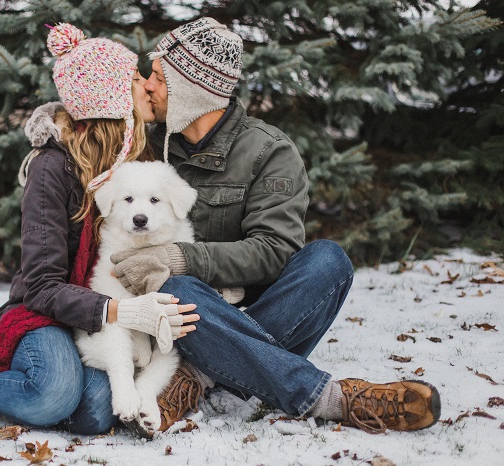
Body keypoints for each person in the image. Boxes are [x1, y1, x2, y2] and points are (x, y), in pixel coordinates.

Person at [110, 17, 441, 434]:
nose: (147, 85)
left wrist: (179, 257)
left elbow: (274, 252)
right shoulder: (143, 144)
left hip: (246, 308)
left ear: (190, 91)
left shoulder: (269, 151)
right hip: (173, 321)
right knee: (175, 290)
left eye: (157, 77)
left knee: (328, 261)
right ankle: (337, 399)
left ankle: (196, 377)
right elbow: (81, 144)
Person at [0, 23, 199, 441]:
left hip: (98, 322)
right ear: (113, 100)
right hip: (43, 312)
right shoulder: (51, 169)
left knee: (97, 413)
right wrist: (121, 311)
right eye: (136, 79)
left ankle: (46, 383)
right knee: (52, 396)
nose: (146, 86)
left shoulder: (136, 160)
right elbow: (40, 286)